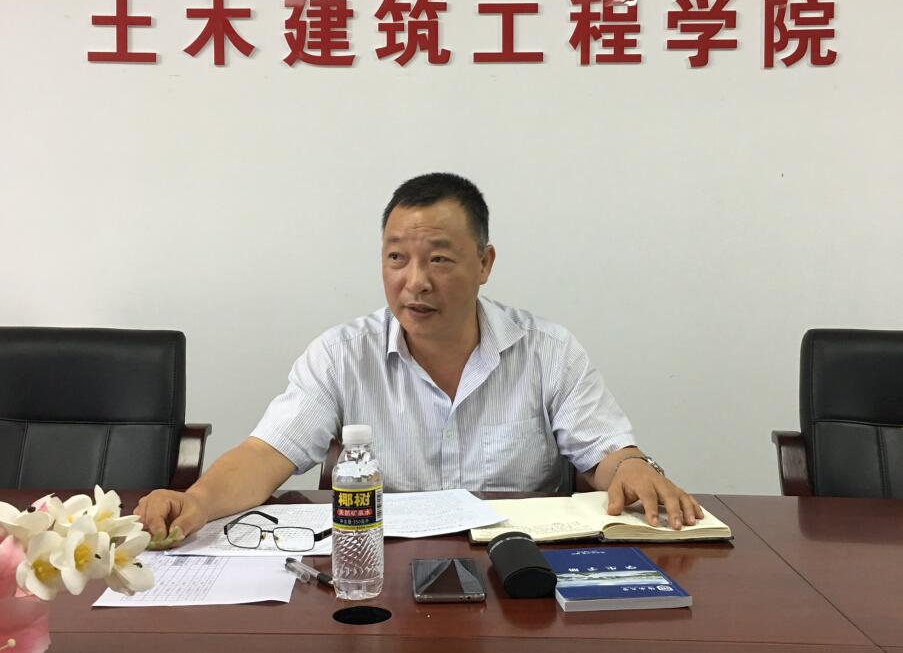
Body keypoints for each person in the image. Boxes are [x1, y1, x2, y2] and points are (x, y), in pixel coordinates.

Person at [136, 173, 702, 549]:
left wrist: (633, 467)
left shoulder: (547, 352)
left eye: (439, 259)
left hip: (518, 570)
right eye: (396, 258)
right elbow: (266, 454)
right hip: (383, 568)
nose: (415, 282)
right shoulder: (341, 354)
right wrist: (196, 501)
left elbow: (607, 452)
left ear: (485, 263)